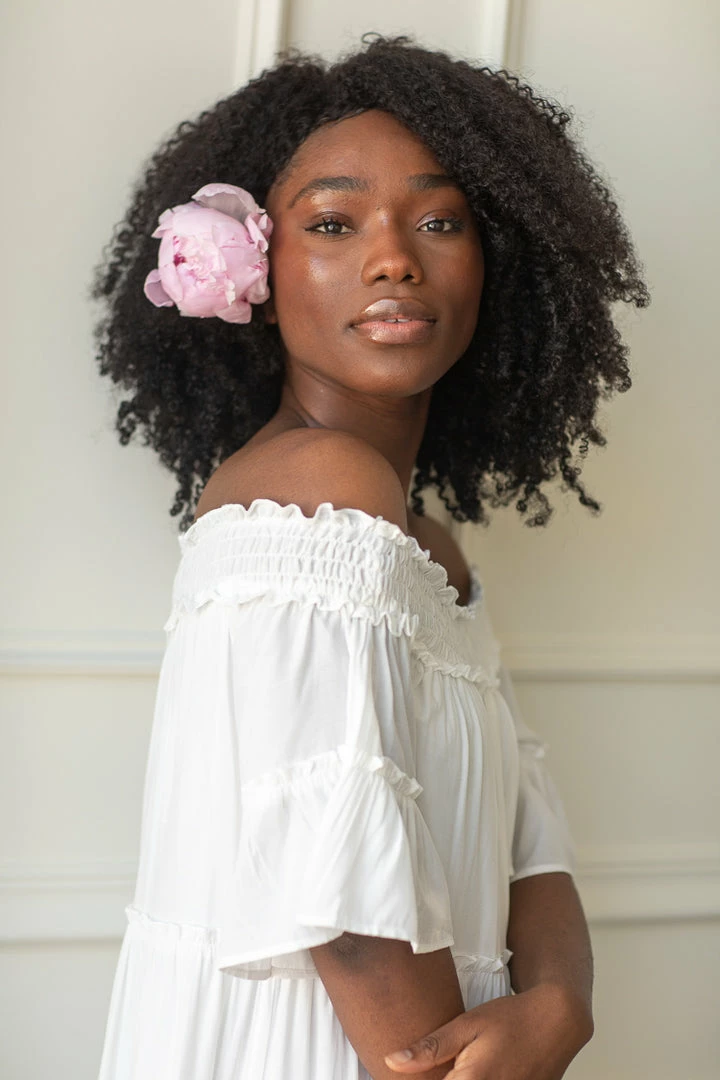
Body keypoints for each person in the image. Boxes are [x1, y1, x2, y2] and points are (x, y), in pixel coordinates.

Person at [93, 34, 649, 1080]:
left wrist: (560, 1004)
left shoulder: (421, 545)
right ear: (258, 275)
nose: (394, 259)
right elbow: (344, 914)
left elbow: (526, 834)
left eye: (439, 221)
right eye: (333, 223)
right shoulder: (318, 489)